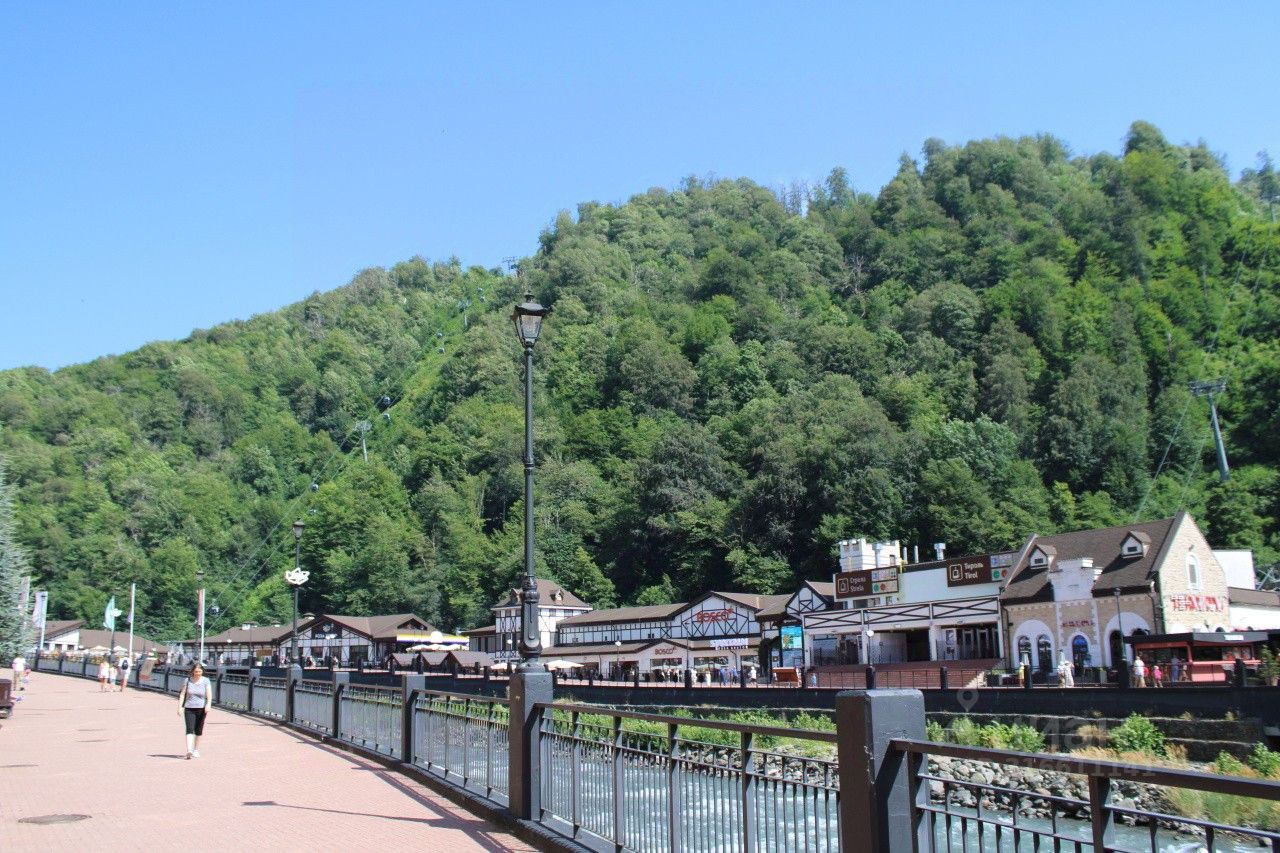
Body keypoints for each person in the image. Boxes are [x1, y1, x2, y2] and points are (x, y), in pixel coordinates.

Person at [177, 663, 212, 759]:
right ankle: (189, 750)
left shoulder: (206, 681)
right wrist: (180, 707)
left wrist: (208, 704)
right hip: (189, 708)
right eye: (196, 671)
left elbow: (209, 695)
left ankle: (195, 750)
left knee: (198, 730)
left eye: (200, 671)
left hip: (201, 708)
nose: (198, 673)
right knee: (189, 728)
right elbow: (182, 694)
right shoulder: (187, 680)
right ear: (192, 671)